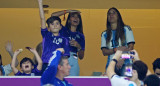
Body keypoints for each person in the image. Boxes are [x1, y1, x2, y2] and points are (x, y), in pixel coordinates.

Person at [38, 0, 70, 73]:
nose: (55, 25)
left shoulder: (64, 39)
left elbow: (66, 55)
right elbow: (42, 19)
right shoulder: (46, 35)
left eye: (57, 23)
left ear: (60, 26)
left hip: (59, 65)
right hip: (46, 64)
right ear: (49, 27)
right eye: (52, 24)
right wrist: (40, 3)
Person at [101, 7, 135, 75]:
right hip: (111, 64)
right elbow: (104, 52)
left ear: (118, 16)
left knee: (127, 83)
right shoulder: (104, 34)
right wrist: (116, 50)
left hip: (127, 63)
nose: (111, 15)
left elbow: (131, 47)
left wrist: (122, 59)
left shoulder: (126, 29)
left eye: (113, 13)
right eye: (109, 14)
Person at [52, 9, 85, 76]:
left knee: (73, 82)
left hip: (74, 59)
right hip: (62, 57)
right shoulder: (63, 29)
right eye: (73, 16)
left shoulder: (81, 35)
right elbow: (53, 16)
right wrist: (67, 11)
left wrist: (78, 46)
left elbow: (81, 56)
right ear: (69, 19)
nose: (76, 18)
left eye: (78, 17)